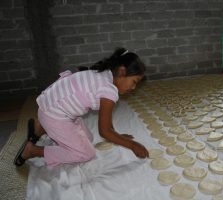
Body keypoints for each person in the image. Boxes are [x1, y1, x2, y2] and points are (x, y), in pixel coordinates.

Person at [14, 47, 149, 167]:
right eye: (134, 82)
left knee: (88, 139)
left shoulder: (104, 73)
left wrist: (118, 136)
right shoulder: (109, 91)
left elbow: (108, 127)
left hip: (52, 105)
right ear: (121, 71)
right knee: (85, 153)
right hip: (54, 114)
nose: (133, 87)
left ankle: (41, 128)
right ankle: (32, 150)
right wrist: (132, 145)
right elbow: (105, 131)